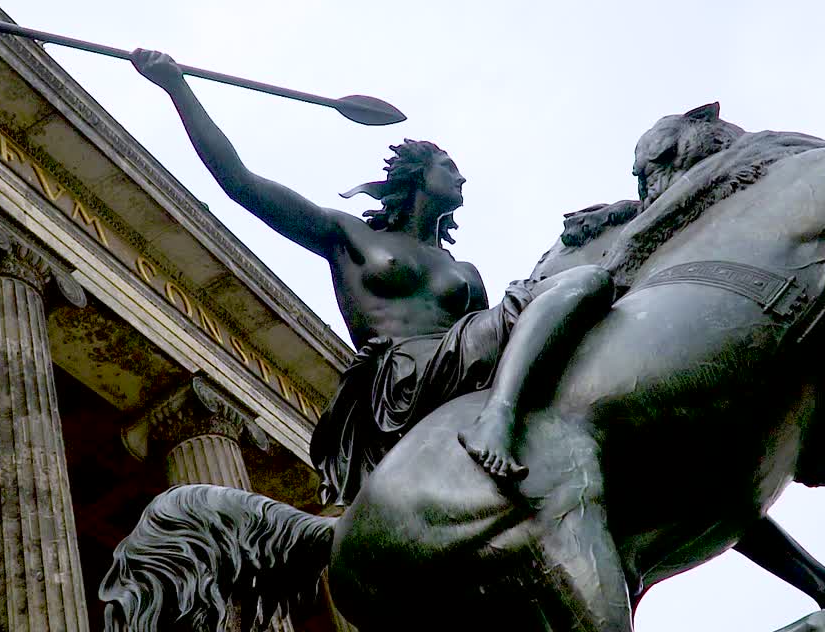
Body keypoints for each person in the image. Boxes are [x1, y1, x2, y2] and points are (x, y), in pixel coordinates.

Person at [131, 49, 612, 505]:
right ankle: (498, 422)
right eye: (449, 168)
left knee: (540, 318)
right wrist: (178, 88)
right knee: (558, 291)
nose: (461, 179)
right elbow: (240, 182)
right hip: (399, 374)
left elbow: (499, 348)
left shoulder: (464, 271)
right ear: (418, 176)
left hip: (455, 369)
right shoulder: (348, 234)